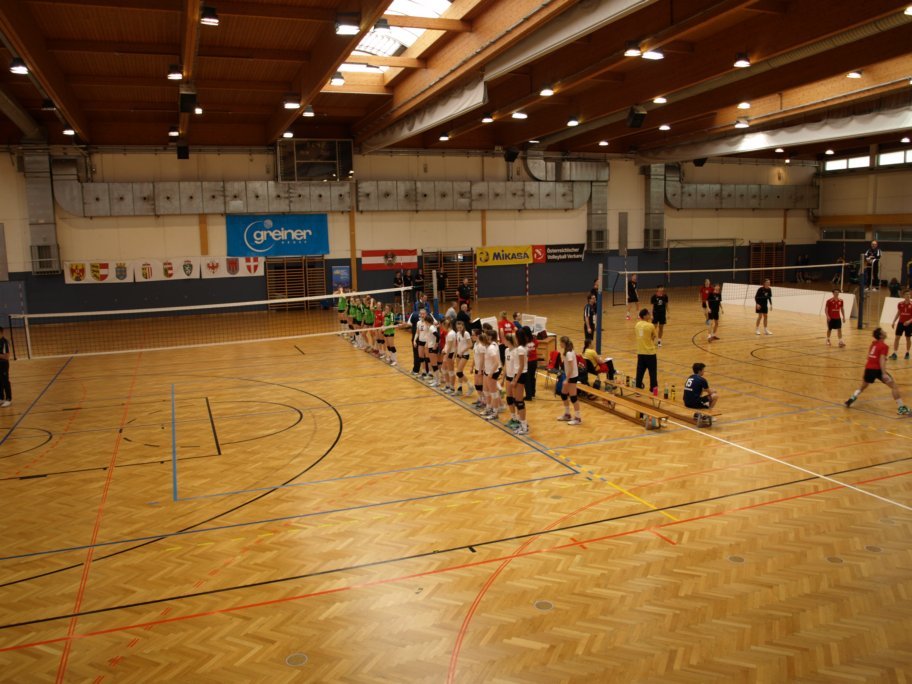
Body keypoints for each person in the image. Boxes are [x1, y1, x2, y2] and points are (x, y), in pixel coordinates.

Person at [845, 328, 910, 415]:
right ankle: (901, 408)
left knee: (863, 386)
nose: (885, 332)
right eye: (883, 332)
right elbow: (881, 359)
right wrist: (884, 373)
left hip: (868, 369)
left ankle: (852, 398)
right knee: (894, 386)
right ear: (881, 336)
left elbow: (868, 356)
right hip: (878, 370)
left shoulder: (873, 344)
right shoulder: (884, 346)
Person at [556, 336, 582, 425]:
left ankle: (578, 418)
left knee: (573, 397)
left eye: (560, 342)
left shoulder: (569, 353)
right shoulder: (568, 351)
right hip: (569, 376)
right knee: (563, 394)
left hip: (572, 377)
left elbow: (571, 368)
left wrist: (567, 379)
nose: (559, 344)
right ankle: (567, 414)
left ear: (564, 343)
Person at [508, 331, 529, 435]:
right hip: (518, 374)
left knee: (520, 402)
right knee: (517, 401)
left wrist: (515, 379)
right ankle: (522, 424)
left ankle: (524, 427)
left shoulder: (521, 349)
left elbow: (521, 365)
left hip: (521, 375)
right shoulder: (519, 348)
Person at [634, 308, 658, 394]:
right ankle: (653, 390)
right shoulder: (650, 325)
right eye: (648, 314)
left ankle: (637, 390)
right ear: (644, 316)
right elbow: (653, 337)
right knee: (653, 373)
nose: (650, 315)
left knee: (639, 373)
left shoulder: (637, 325)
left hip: (640, 353)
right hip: (650, 353)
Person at [889, 289, 912, 360]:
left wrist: (909, 321)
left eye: (909, 294)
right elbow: (898, 313)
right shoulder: (900, 304)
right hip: (901, 323)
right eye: (906, 294)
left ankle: (907, 353)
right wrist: (894, 321)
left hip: (909, 324)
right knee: (897, 338)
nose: (908, 295)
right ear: (903, 296)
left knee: (908, 338)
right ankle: (895, 353)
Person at [454, 319, 472, 395]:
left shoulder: (466, 333)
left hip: (465, 354)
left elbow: (470, 345)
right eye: (458, 327)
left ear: (463, 326)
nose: (459, 329)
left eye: (460, 327)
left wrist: (462, 351)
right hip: (459, 354)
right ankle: (460, 389)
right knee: (459, 372)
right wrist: (455, 353)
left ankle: (470, 386)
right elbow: (458, 344)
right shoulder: (457, 333)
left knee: (459, 372)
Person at [523, 325, 538, 400]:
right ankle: (533, 393)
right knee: (532, 377)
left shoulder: (524, 341)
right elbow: (536, 345)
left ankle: (528, 396)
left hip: (528, 361)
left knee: (527, 379)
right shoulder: (534, 339)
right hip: (534, 361)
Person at [0, 327, 10, 407]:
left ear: (1, 332)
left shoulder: (4, 342)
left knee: (5, 381)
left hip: (3, 364)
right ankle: (1, 398)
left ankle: (8, 399)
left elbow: (6, 356)